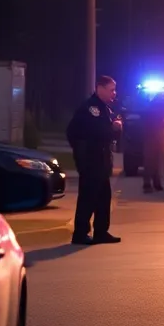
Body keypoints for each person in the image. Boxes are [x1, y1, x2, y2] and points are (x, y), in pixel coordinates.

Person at [66, 75, 123, 245]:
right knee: (88, 197)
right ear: (100, 88)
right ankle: (80, 233)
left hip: (102, 161)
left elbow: (106, 134)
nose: (114, 93)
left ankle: (101, 232)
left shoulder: (104, 108)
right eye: (111, 89)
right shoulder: (90, 109)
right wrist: (112, 128)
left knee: (103, 197)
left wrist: (115, 128)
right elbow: (87, 133)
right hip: (91, 161)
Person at [141, 95, 164, 193]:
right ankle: (152, 184)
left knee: (151, 162)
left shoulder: (148, 110)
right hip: (155, 138)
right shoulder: (157, 111)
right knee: (154, 162)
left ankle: (152, 184)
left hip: (151, 138)